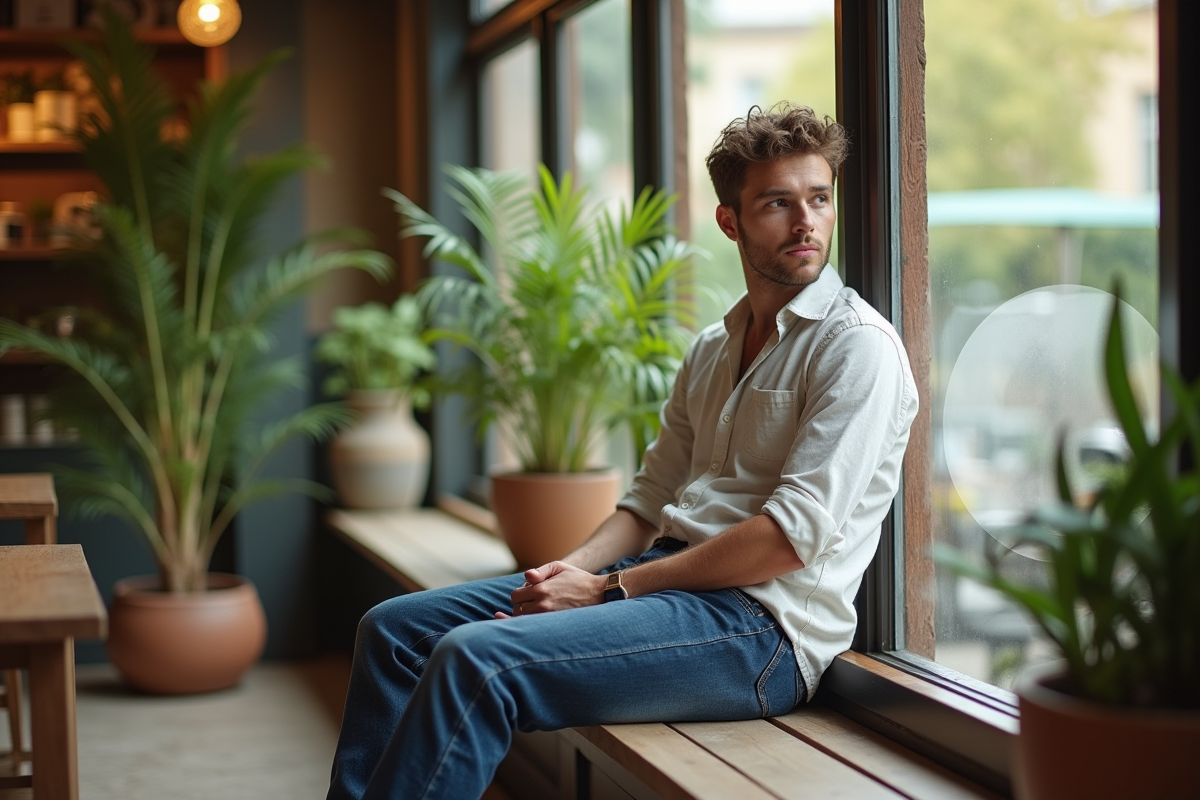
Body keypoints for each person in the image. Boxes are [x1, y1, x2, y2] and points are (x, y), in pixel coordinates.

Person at [326, 103, 918, 800]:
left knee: (475, 662)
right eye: (777, 204)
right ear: (731, 221)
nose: (806, 223)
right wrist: (560, 576)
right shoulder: (712, 349)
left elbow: (791, 541)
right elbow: (645, 504)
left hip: (759, 633)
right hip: (662, 584)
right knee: (393, 630)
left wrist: (606, 590)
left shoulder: (857, 348)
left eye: (819, 199)